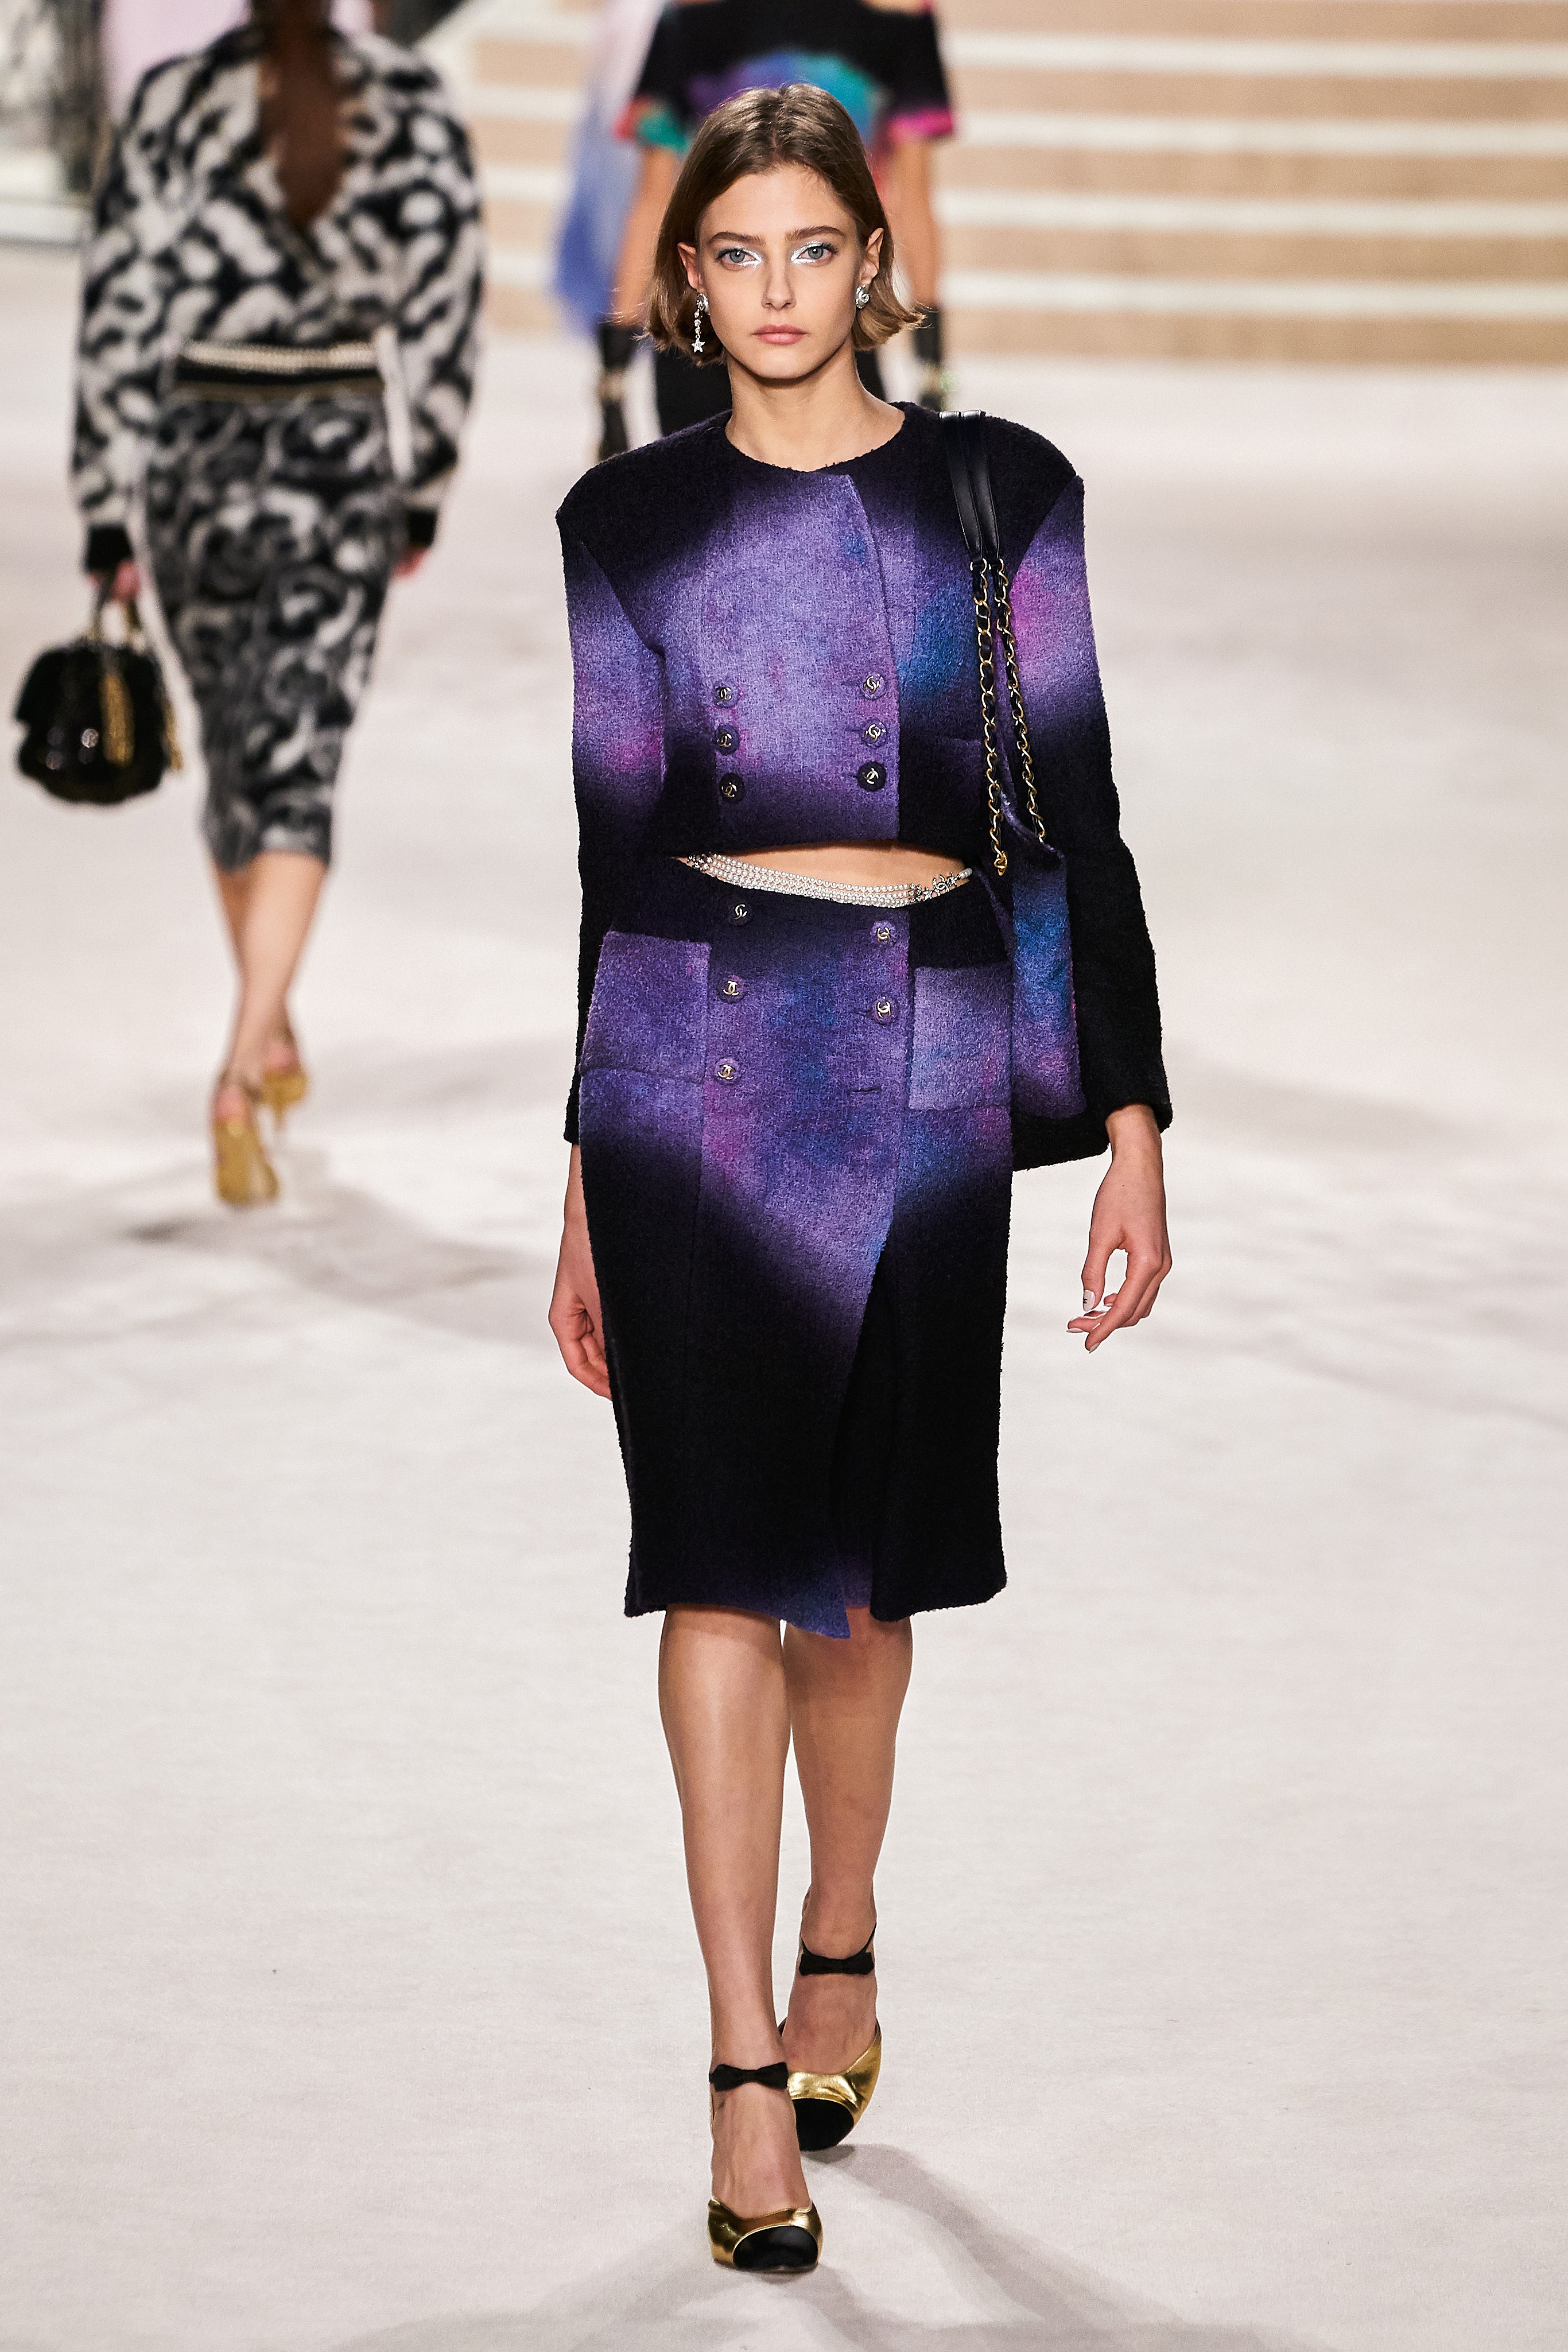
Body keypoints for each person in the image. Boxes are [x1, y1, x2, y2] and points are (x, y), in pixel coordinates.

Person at [548, 84, 1173, 2273]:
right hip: (688, 1069)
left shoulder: (997, 493)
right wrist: (578, 1170)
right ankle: (742, 2065)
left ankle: (841, 1924)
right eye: (738, 254)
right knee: (719, 1566)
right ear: (684, 278)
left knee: (863, 1583)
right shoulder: (622, 520)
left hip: (921, 1055)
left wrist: (1128, 1119)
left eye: (815, 247)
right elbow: (612, 848)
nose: (780, 289)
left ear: (871, 262)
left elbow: (1072, 808)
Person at [72, 0, 483, 1205]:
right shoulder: (406, 102)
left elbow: (116, 310)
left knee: (237, 762)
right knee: (298, 762)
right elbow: (445, 306)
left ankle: (265, 1019)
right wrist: (426, 480)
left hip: (192, 460)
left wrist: (105, 506)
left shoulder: (171, 103)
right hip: (336, 457)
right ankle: (246, 1060)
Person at [595, 0, 953, 455]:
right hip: (820, 308)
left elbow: (655, 199)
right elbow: (911, 199)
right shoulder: (899, 13)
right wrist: (932, 369)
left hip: (719, 316)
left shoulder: (693, 9)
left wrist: (614, 375)